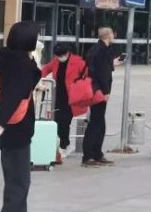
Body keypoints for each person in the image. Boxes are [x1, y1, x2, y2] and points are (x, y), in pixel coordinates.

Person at [0, 21, 42, 212]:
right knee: (19, 182)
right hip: (15, 126)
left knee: (18, 179)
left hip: (13, 126)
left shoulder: (8, 56)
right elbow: (13, 94)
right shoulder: (21, 64)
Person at [82, 27, 122, 168]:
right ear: (107, 35)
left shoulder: (95, 49)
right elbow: (101, 73)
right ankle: (88, 155)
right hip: (98, 90)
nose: (113, 36)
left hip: (94, 88)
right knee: (96, 122)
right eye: (112, 33)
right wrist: (105, 91)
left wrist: (112, 63)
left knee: (99, 121)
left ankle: (96, 153)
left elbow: (99, 67)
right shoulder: (102, 50)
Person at [41, 44, 87, 158]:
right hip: (58, 96)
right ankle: (61, 144)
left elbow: (88, 72)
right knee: (56, 121)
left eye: (61, 55)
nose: (59, 57)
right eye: (57, 55)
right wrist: (39, 78)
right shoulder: (56, 61)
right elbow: (46, 68)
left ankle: (64, 145)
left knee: (65, 122)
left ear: (67, 53)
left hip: (71, 97)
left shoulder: (78, 61)